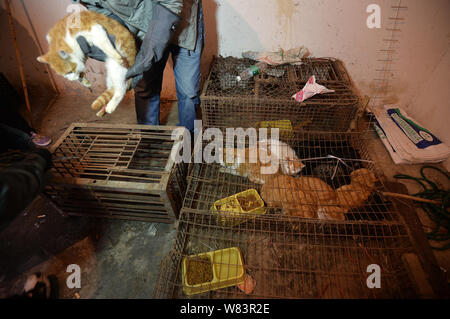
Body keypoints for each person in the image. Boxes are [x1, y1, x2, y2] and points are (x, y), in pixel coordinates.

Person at [74, 0, 204, 133]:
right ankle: (149, 138)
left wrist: (146, 57)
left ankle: (189, 135)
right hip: (142, 27)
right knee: (144, 87)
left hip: (184, 21)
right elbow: (106, 15)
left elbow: (171, 3)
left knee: (188, 91)